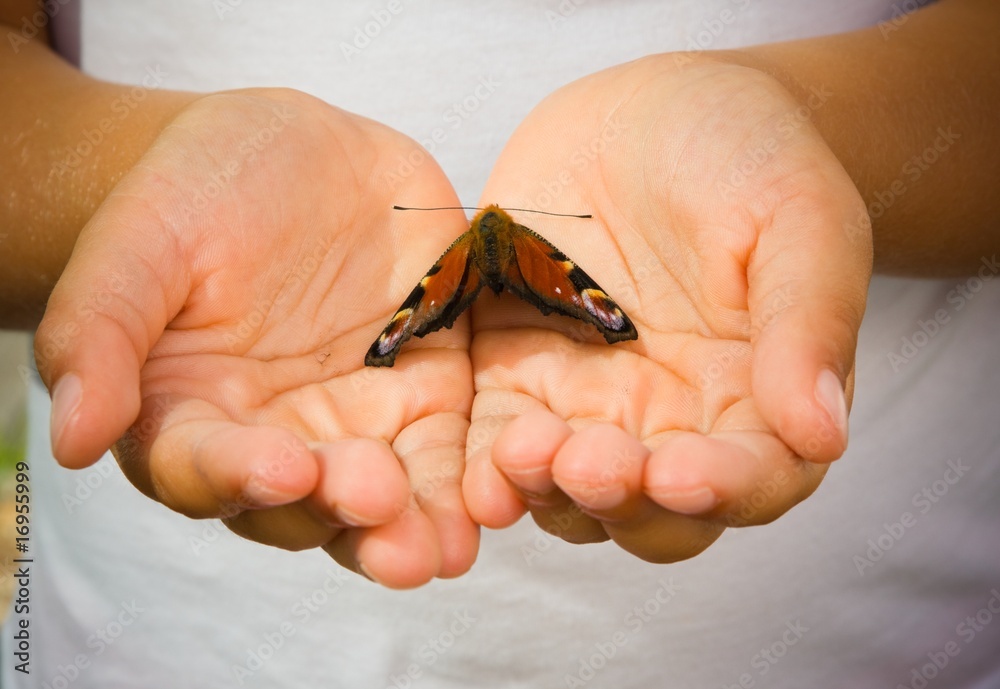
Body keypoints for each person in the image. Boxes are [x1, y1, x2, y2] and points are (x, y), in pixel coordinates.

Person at [1, 0, 998, 686]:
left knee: (470, 307)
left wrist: (806, 136)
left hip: (886, 637)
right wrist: (141, 202)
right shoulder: (521, 249)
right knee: (550, 301)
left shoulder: (484, 253)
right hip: (151, 648)